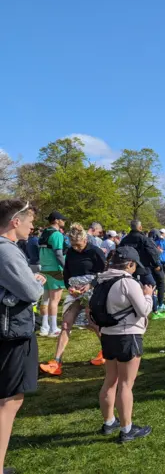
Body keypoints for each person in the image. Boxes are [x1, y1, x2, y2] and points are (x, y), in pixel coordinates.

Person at [0, 200, 46, 474]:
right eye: (29, 222)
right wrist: (35, 282)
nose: (32, 228)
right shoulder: (7, 251)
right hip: (12, 333)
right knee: (10, 400)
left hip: (9, 331)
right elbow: (31, 292)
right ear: (15, 221)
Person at [96, 247, 153, 443]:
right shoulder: (127, 282)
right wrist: (148, 295)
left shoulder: (101, 279)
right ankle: (127, 429)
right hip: (128, 335)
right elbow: (144, 310)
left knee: (110, 380)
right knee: (126, 385)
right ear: (129, 264)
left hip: (108, 335)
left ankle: (109, 421)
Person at [39, 224, 107, 376]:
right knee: (65, 323)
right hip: (75, 292)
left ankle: (107, 352)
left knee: (92, 323)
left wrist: (91, 285)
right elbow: (67, 272)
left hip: (92, 291)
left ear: (85, 239)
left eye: (78, 244)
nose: (76, 248)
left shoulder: (94, 251)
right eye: (73, 245)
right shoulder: (70, 252)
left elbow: (104, 272)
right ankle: (57, 362)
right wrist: (69, 286)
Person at [119, 220, 164, 318]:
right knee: (151, 286)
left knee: (133, 288)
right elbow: (152, 252)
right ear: (140, 228)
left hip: (128, 269)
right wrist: (156, 264)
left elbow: (119, 252)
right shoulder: (143, 239)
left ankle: (135, 308)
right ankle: (154, 311)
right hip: (143, 268)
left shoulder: (124, 239)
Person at [38, 211, 68, 337]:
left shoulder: (44, 233)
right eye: (62, 219)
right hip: (55, 269)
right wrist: (66, 267)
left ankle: (44, 327)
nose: (64, 221)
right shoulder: (56, 234)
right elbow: (58, 253)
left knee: (45, 299)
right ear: (56, 220)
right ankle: (54, 328)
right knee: (55, 300)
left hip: (44, 268)